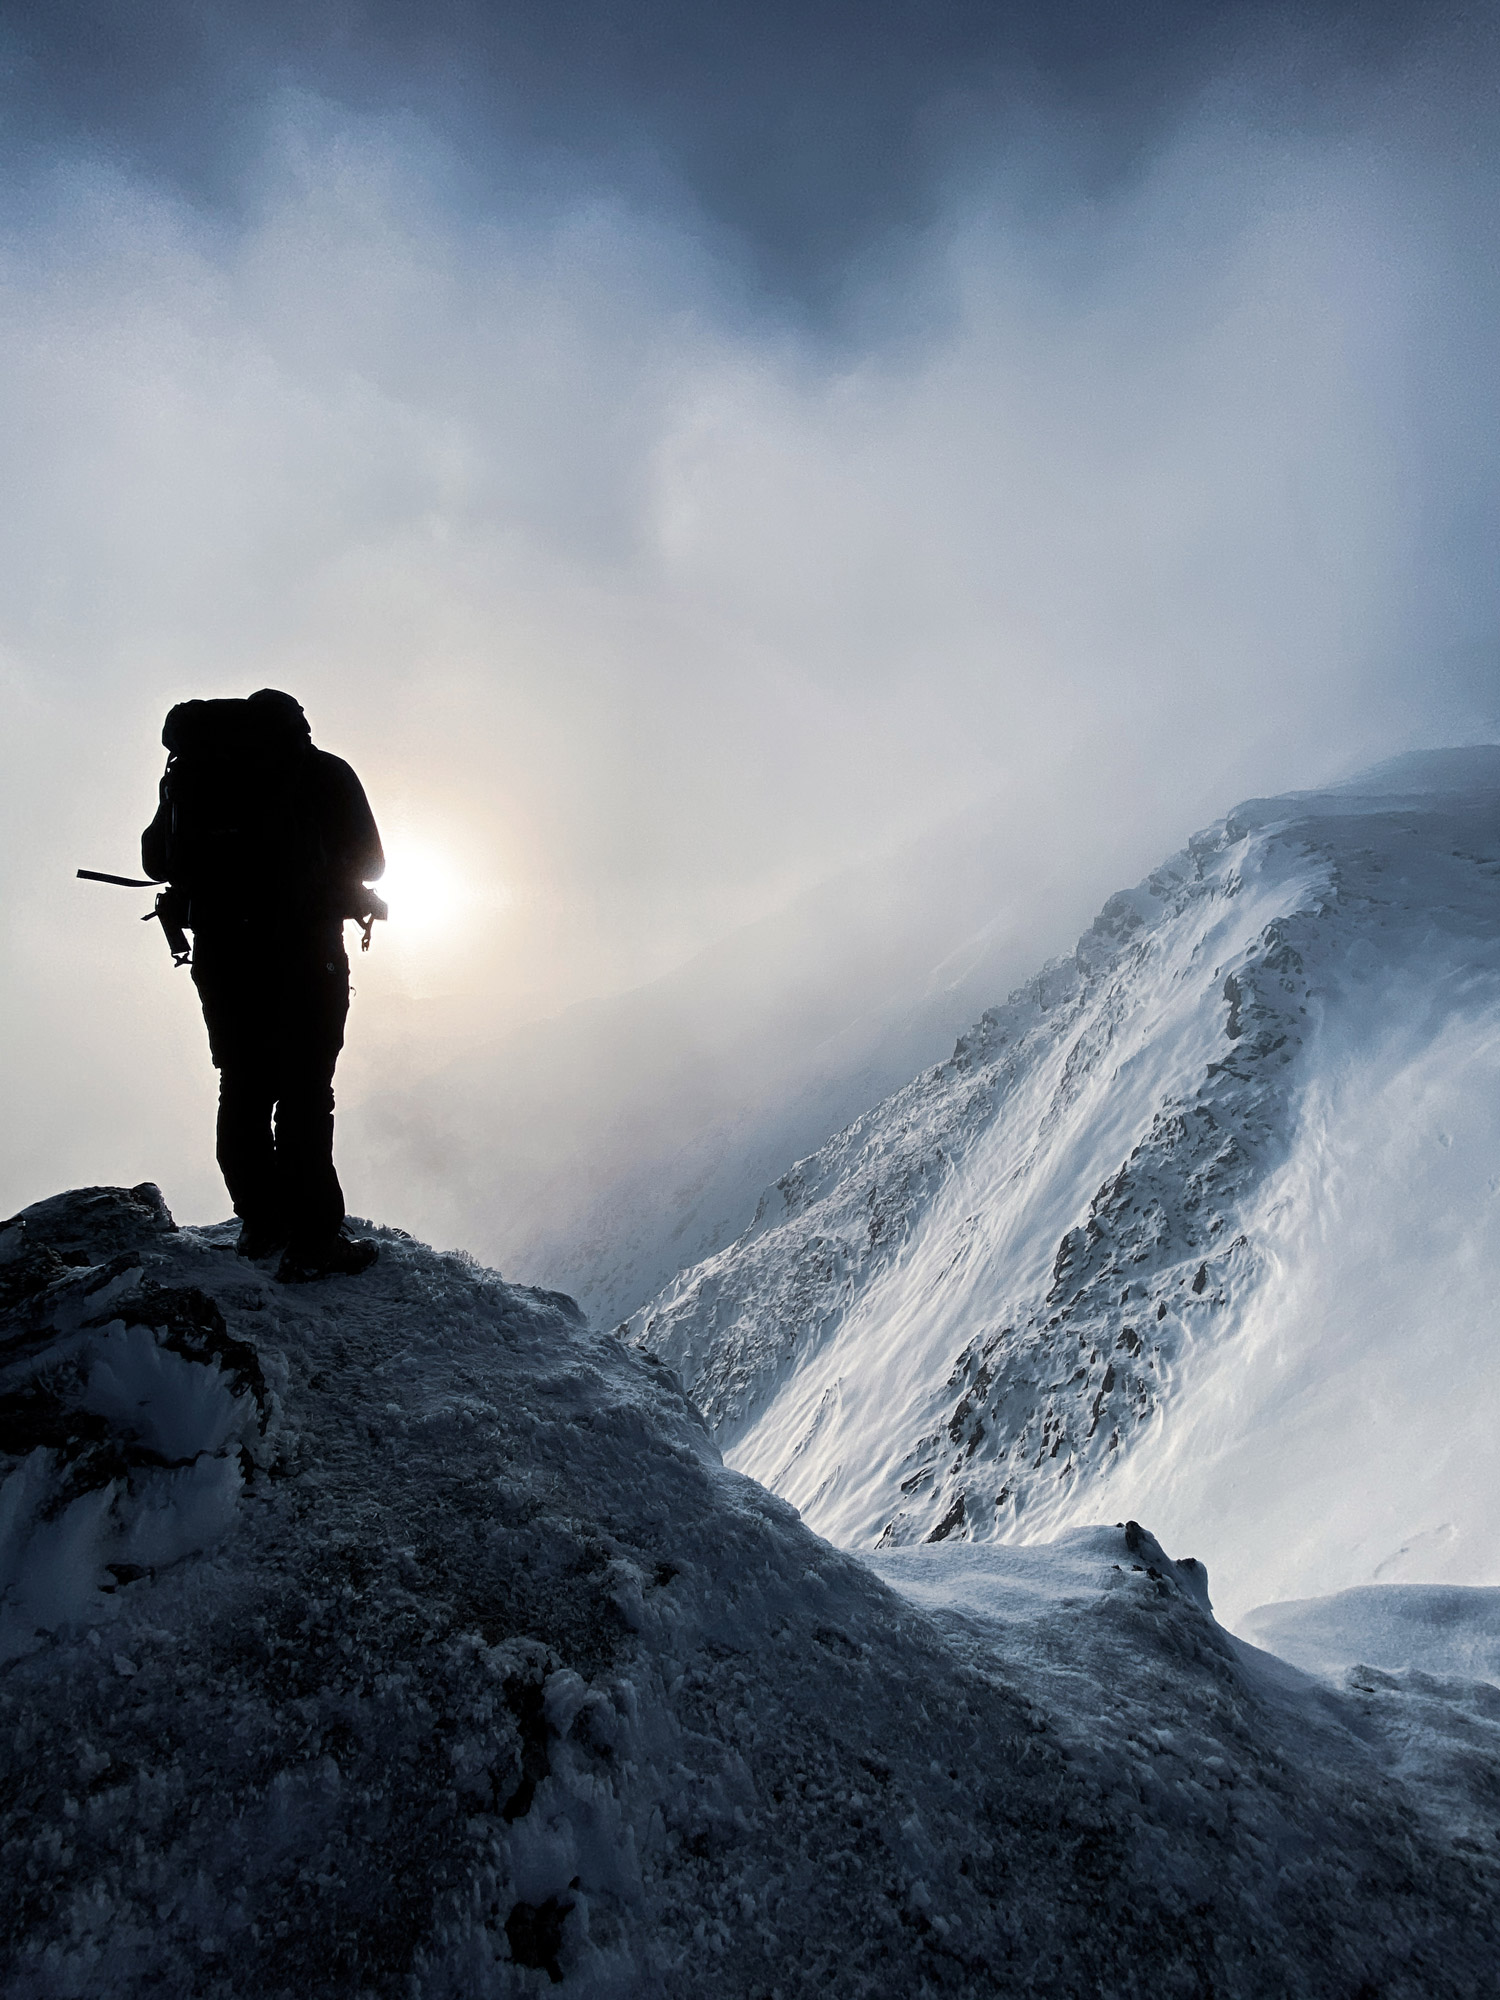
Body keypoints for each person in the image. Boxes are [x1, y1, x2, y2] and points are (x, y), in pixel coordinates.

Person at [141, 689, 386, 1281]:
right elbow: (372, 860)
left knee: (244, 1085)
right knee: (306, 1093)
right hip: (306, 955)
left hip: (224, 957)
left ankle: (261, 1221)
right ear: (297, 725)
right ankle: (314, 1240)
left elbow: (156, 860)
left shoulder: (191, 775)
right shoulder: (323, 773)